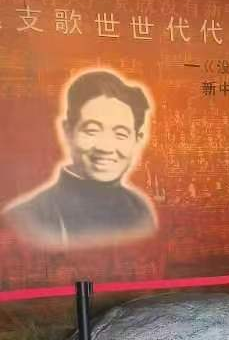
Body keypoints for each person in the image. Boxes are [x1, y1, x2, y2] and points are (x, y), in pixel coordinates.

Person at [3, 70, 156, 249]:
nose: (105, 147)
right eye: (92, 130)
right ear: (68, 132)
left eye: (121, 134)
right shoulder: (24, 219)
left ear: (137, 139)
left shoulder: (139, 210)